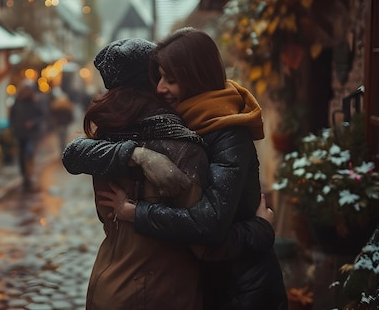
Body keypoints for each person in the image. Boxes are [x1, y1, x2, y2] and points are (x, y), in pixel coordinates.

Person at [63, 28, 288, 310]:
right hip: (203, 285)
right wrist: (138, 155)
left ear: (196, 78)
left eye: (171, 79)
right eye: (158, 78)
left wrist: (262, 230)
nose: (159, 88)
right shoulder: (178, 127)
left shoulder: (228, 133)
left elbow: (208, 227)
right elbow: (72, 153)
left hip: (242, 287)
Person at [10, 82, 45, 192]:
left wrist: (33, 123)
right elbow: (12, 116)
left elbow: (41, 116)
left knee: (29, 151)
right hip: (20, 132)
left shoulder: (33, 103)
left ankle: (29, 172)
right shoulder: (17, 102)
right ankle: (24, 174)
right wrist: (14, 127)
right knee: (21, 154)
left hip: (31, 133)